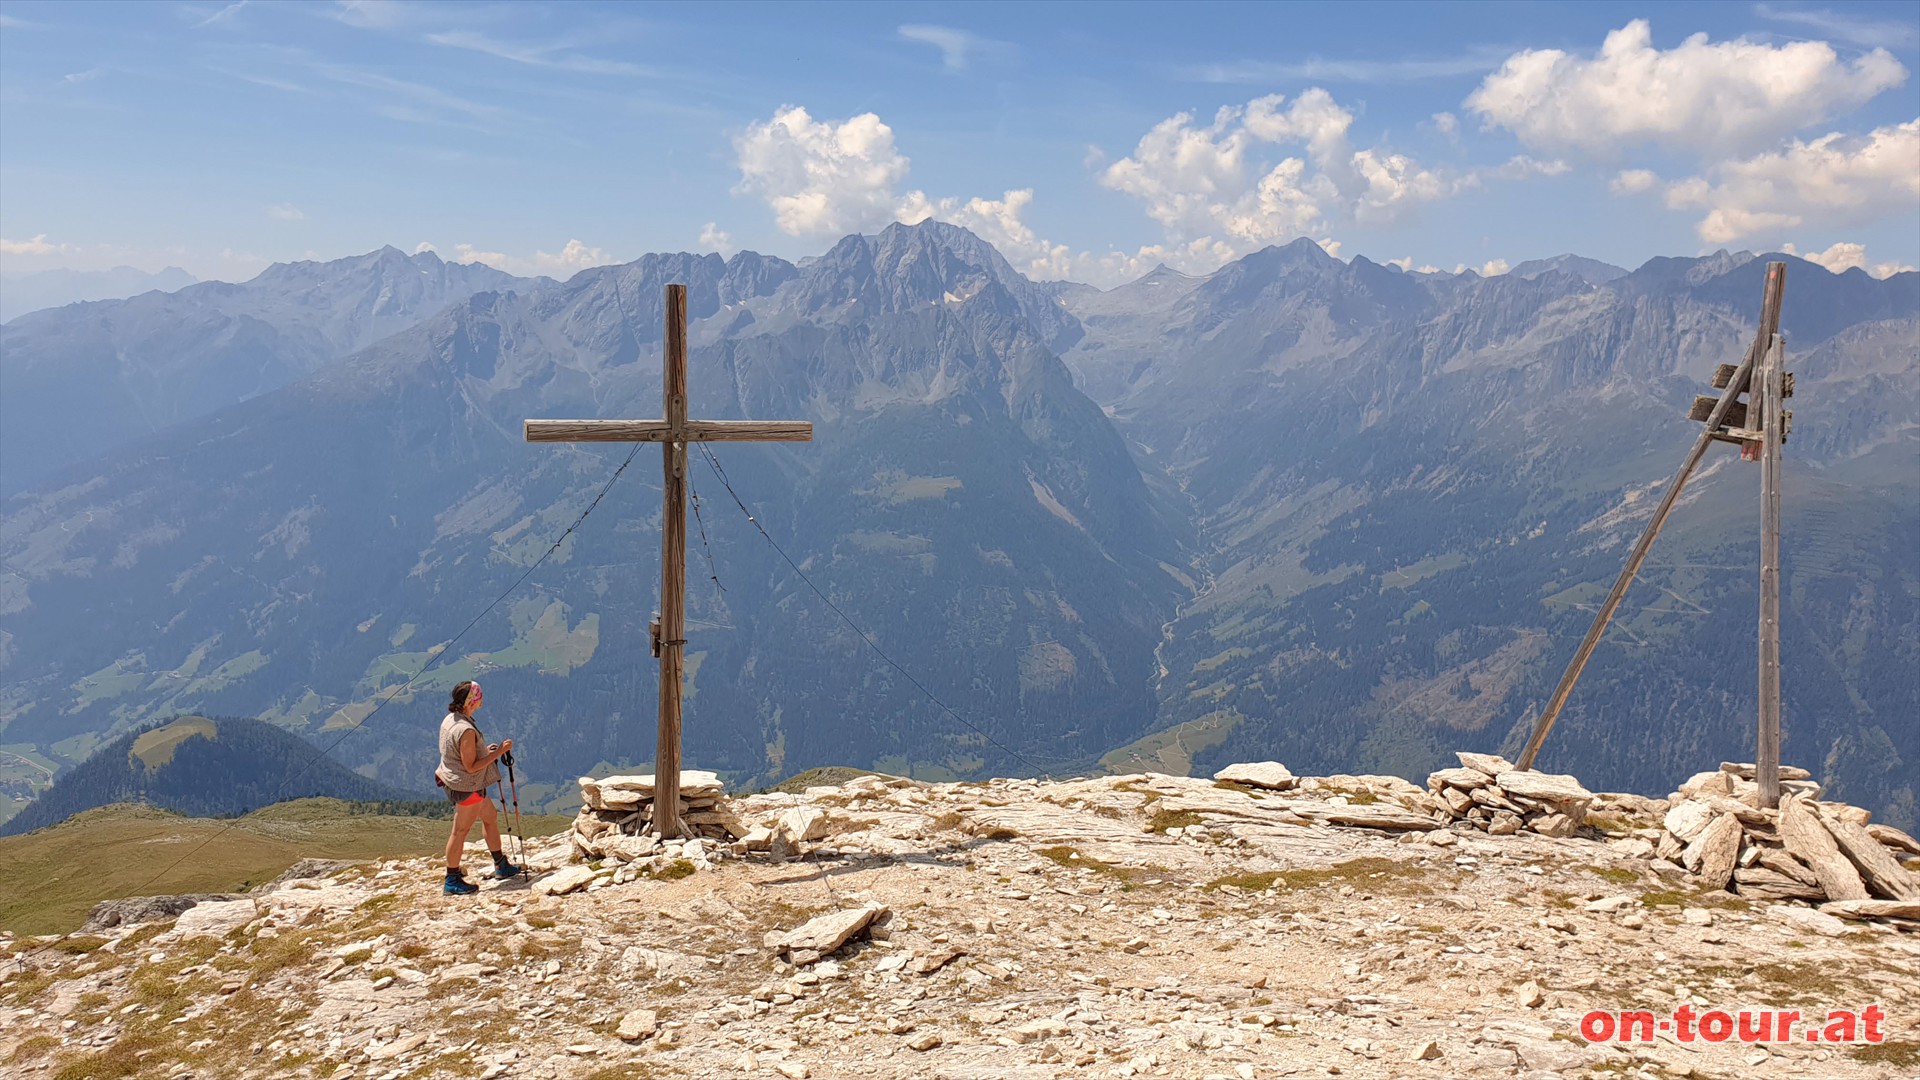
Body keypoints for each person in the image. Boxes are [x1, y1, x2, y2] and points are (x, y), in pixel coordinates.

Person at [435, 680, 519, 894]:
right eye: (479, 695)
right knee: (460, 830)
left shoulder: (451, 719)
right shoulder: (466, 730)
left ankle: (501, 864)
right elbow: (471, 767)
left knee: (489, 817)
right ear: (472, 700)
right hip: (467, 786)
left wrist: (486, 752)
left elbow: (462, 754)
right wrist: (498, 752)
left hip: (457, 780)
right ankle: (451, 880)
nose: (482, 698)